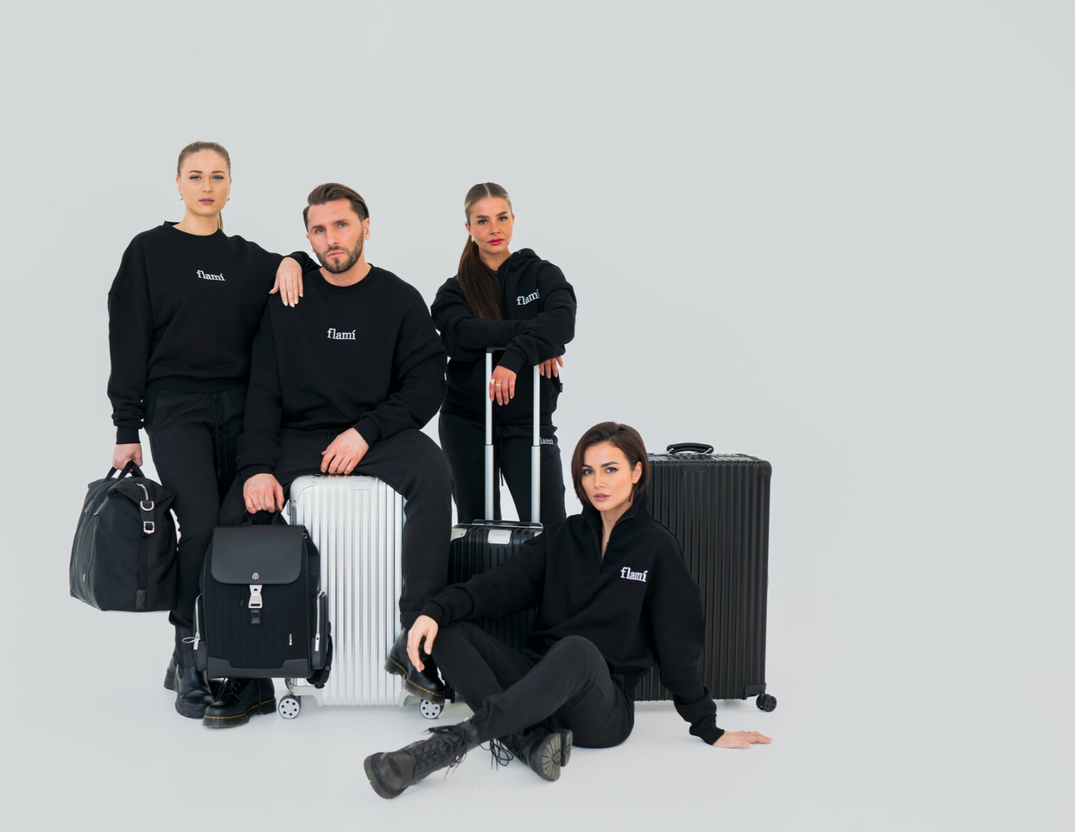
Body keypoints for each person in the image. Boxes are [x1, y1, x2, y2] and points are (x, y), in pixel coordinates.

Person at [362, 422, 772, 799]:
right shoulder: (561, 538)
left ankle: (446, 745)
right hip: (536, 685)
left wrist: (707, 726)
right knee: (446, 628)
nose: (598, 482)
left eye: (610, 469)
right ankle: (527, 743)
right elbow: (497, 587)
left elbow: (678, 643)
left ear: (637, 472)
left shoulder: (657, 547)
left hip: (600, 711)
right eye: (588, 471)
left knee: (576, 649)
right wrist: (433, 612)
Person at [210, 182, 455, 727]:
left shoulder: (399, 298)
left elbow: (425, 384)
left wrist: (366, 431)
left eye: (341, 225)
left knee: (434, 476)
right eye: (318, 230)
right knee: (237, 509)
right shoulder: (288, 301)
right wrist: (256, 468)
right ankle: (248, 675)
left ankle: (417, 644)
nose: (331, 239)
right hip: (301, 436)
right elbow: (263, 394)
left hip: (377, 434)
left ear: (366, 226)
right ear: (308, 237)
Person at [106, 140, 315, 721]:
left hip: (243, 409)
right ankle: (188, 655)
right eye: (195, 176)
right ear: (178, 184)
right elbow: (127, 340)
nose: (206, 186)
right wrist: (127, 425)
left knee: (240, 526)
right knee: (199, 527)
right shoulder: (148, 251)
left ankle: (238, 650)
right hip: (176, 409)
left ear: (230, 185)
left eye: (217, 176)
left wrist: (294, 259)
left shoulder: (248, 259)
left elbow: (300, 266)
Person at [431, 183, 576, 524]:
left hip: (529, 420)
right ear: (468, 227)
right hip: (467, 421)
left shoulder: (541, 274)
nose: (494, 229)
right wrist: (536, 337)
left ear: (513, 219)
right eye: (482, 221)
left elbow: (563, 322)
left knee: (550, 528)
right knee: (476, 529)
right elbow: (459, 335)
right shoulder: (454, 290)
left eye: (501, 218)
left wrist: (515, 357)